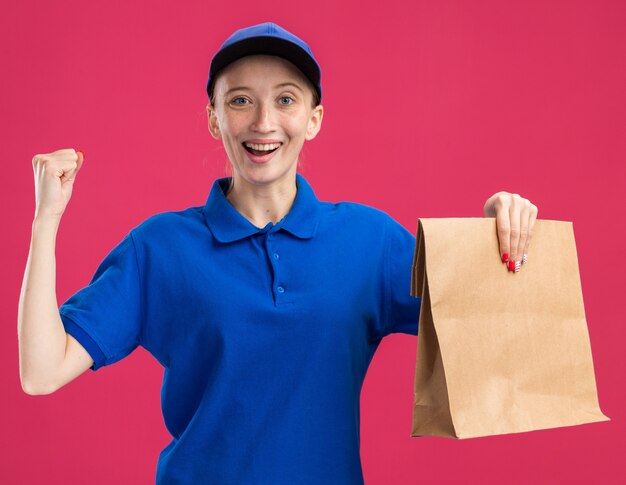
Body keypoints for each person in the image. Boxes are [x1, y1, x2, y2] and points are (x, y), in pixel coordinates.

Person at [18, 22, 538, 485]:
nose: (264, 122)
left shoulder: (369, 241)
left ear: (314, 118)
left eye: (286, 100)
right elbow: (42, 372)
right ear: (213, 118)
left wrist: (496, 238)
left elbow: (491, 339)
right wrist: (46, 221)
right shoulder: (160, 248)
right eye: (240, 100)